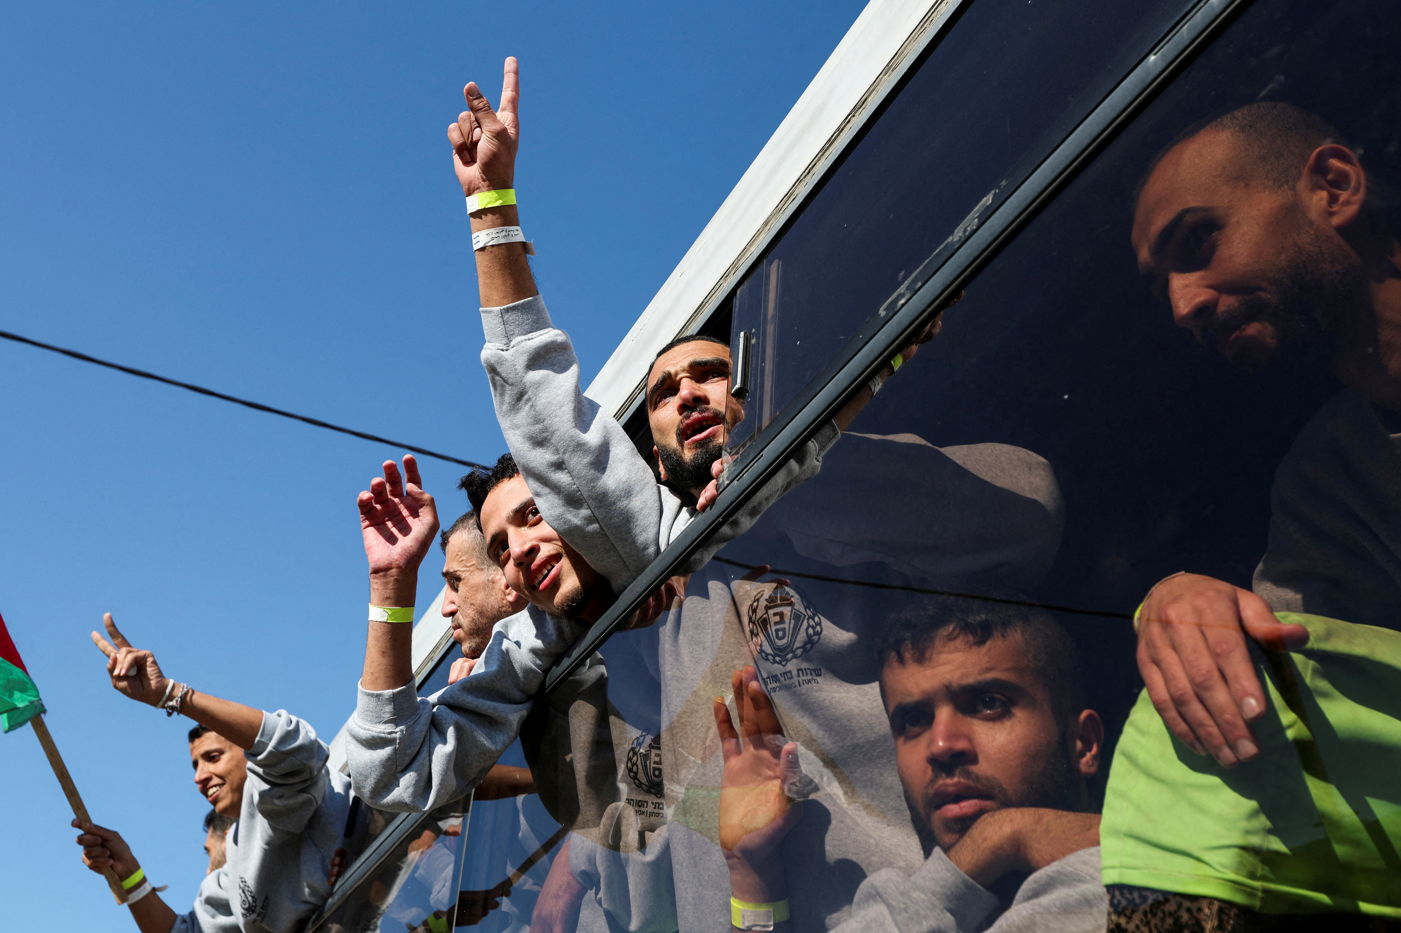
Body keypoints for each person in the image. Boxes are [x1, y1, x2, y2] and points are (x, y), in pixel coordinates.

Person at [450, 57, 1068, 932]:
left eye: (709, 375)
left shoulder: (810, 514)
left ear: (748, 394)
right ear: (645, 454)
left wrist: (806, 461)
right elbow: (551, 425)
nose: (690, 396)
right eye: (663, 394)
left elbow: (1029, 507)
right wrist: (490, 212)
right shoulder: (647, 589)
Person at [1098, 100, 1401, 927]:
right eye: (1161, 280)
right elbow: (1302, 693)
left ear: (1333, 187)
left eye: (1198, 242)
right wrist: (1178, 604)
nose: (1181, 303)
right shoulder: (1329, 476)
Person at [716, 596, 1105, 933]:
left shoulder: (1123, 890)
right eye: (914, 720)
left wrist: (998, 840)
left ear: (1084, 744)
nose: (940, 745)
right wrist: (753, 874)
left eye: (988, 704)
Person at [74, 614, 351, 933]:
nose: (200, 777)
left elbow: (292, 747)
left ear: (250, 758)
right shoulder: (234, 864)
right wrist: (127, 871)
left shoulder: (288, 796)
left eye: (213, 757)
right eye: (195, 765)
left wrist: (170, 695)